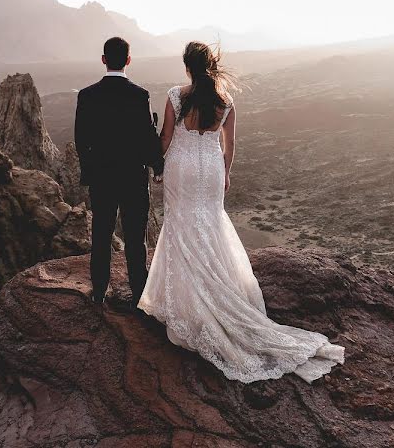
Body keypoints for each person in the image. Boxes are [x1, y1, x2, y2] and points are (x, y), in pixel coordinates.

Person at [137, 41, 344, 383]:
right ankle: (220, 292)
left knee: (180, 226)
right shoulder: (225, 101)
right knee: (211, 224)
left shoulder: (177, 95)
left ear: (187, 65)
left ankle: (188, 304)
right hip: (211, 170)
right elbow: (229, 145)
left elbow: (165, 139)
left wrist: (155, 164)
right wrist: (226, 172)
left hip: (181, 168)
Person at [74, 37, 164, 308]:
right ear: (128, 60)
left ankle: (99, 293)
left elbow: (81, 139)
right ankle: (139, 295)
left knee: (101, 236)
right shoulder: (140, 95)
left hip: (102, 178)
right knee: (136, 240)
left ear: (103, 59)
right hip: (134, 178)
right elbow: (148, 138)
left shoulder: (87, 95)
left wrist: (90, 171)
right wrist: (157, 166)